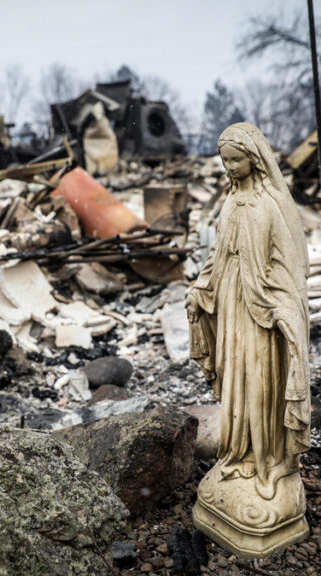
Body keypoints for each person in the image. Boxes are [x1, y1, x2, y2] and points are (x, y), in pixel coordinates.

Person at [186, 122, 310, 501]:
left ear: (254, 160)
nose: (229, 168)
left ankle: (270, 461)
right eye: (225, 161)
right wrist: (200, 289)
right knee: (235, 382)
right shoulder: (229, 202)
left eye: (236, 160)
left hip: (262, 313)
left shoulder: (270, 206)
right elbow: (217, 255)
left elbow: (288, 266)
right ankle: (237, 455)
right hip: (231, 308)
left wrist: (284, 306)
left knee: (260, 386)